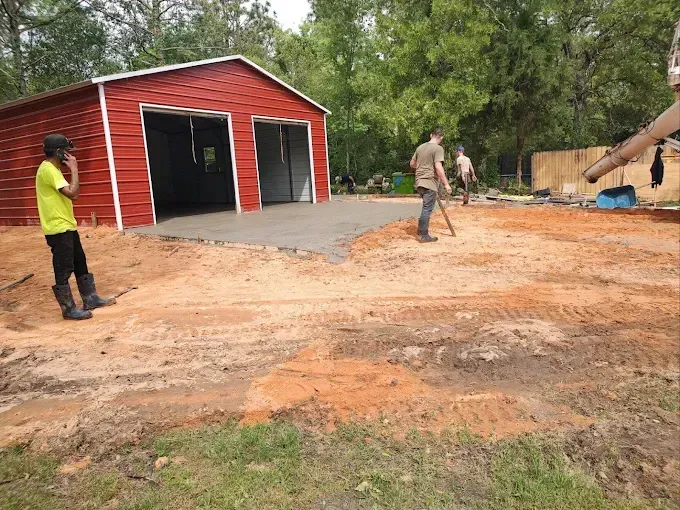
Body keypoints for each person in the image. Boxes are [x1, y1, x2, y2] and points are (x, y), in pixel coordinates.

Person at [36, 134, 116, 320]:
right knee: (63, 268)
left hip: (66, 225)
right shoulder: (48, 170)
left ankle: (90, 298)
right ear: (59, 153)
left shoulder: (52, 169)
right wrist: (74, 169)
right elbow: (73, 193)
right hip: (57, 227)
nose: (69, 155)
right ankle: (68, 309)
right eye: (66, 152)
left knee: (80, 262)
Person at [410, 127, 452, 242]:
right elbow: (438, 167)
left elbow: (412, 163)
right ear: (441, 137)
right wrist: (446, 184)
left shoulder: (420, 147)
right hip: (429, 182)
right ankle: (423, 235)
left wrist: (423, 165)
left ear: (431, 135)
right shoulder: (438, 149)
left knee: (426, 207)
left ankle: (420, 230)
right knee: (427, 209)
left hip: (419, 182)